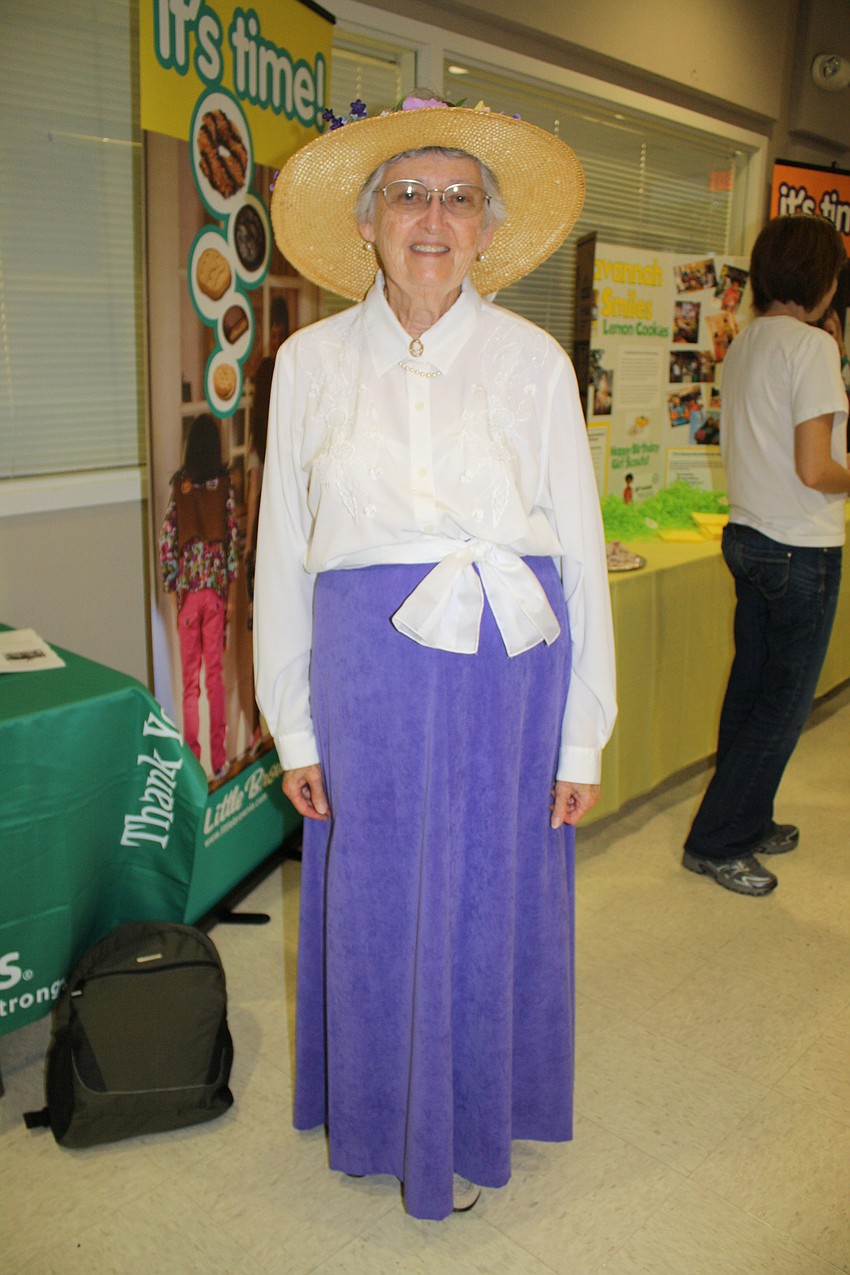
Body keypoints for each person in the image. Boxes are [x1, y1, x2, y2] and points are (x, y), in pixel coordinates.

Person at [253, 91, 616, 1221]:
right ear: (366, 220)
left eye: (459, 198)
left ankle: (473, 1111)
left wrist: (581, 733)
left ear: (488, 229)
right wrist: (293, 722)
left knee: (490, 890)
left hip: (507, 668)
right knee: (371, 898)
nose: (432, 218)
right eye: (408, 193)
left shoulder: (532, 363)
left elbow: (582, 554)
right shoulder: (308, 361)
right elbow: (283, 558)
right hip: (365, 669)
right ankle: (376, 1118)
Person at [683, 214, 847, 895]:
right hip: (799, 547)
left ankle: (746, 819)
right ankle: (717, 839)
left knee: (751, 691)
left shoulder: (749, 340)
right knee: (781, 706)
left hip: (750, 538)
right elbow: (816, 469)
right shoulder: (809, 348)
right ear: (823, 278)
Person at [160, 412, 239, 782]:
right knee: (216, 679)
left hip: (189, 597)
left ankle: (193, 760)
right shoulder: (224, 486)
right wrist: (229, 579)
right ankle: (220, 760)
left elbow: (167, 542)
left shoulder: (180, 486)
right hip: (216, 596)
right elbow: (233, 540)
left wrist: (173, 582)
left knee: (190, 682)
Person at [244, 297, 290, 752]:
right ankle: (268, 732)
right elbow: (258, 473)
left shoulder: (293, 372)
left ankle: (272, 732)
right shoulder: (273, 375)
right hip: (270, 534)